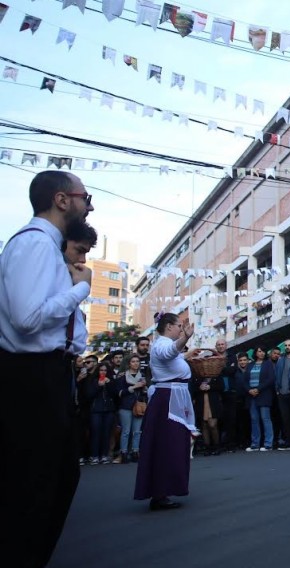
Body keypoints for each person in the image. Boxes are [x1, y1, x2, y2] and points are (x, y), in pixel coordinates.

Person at [0, 171, 94, 568]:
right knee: (35, 487)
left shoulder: (46, 247)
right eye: (85, 197)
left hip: (47, 375)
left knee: (55, 478)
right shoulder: (35, 245)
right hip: (31, 376)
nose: (88, 206)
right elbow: (27, 318)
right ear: (61, 200)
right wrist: (81, 289)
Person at [134, 312, 203, 511]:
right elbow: (168, 353)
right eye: (179, 326)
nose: (182, 329)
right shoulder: (161, 344)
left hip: (173, 397)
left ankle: (163, 491)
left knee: (174, 444)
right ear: (169, 326)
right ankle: (160, 492)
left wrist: (187, 354)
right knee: (167, 445)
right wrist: (185, 338)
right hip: (168, 399)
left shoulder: (162, 344)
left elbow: (172, 357)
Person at [240, 347, 276, 451]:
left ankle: (268, 443)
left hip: (263, 394)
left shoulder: (268, 364)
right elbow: (244, 380)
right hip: (251, 395)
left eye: (263, 351)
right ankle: (255, 444)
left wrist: (258, 389)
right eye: (259, 351)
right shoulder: (250, 365)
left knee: (265, 419)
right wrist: (249, 390)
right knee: (254, 419)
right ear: (255, 353)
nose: (261, 353)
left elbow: (271, 379)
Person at [114, 355, 147, 463]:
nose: (136, 363)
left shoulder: (142, 375)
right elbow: (119, 393)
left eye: (137, 361)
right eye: (133, 361)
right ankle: (123, 453)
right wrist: (134, 387)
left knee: (137, 431)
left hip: (138, 405)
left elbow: (144, 392)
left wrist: (144, 388)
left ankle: (135, 452)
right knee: (126, 431)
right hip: (126, 406)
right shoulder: (122, 376)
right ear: (129, 363)